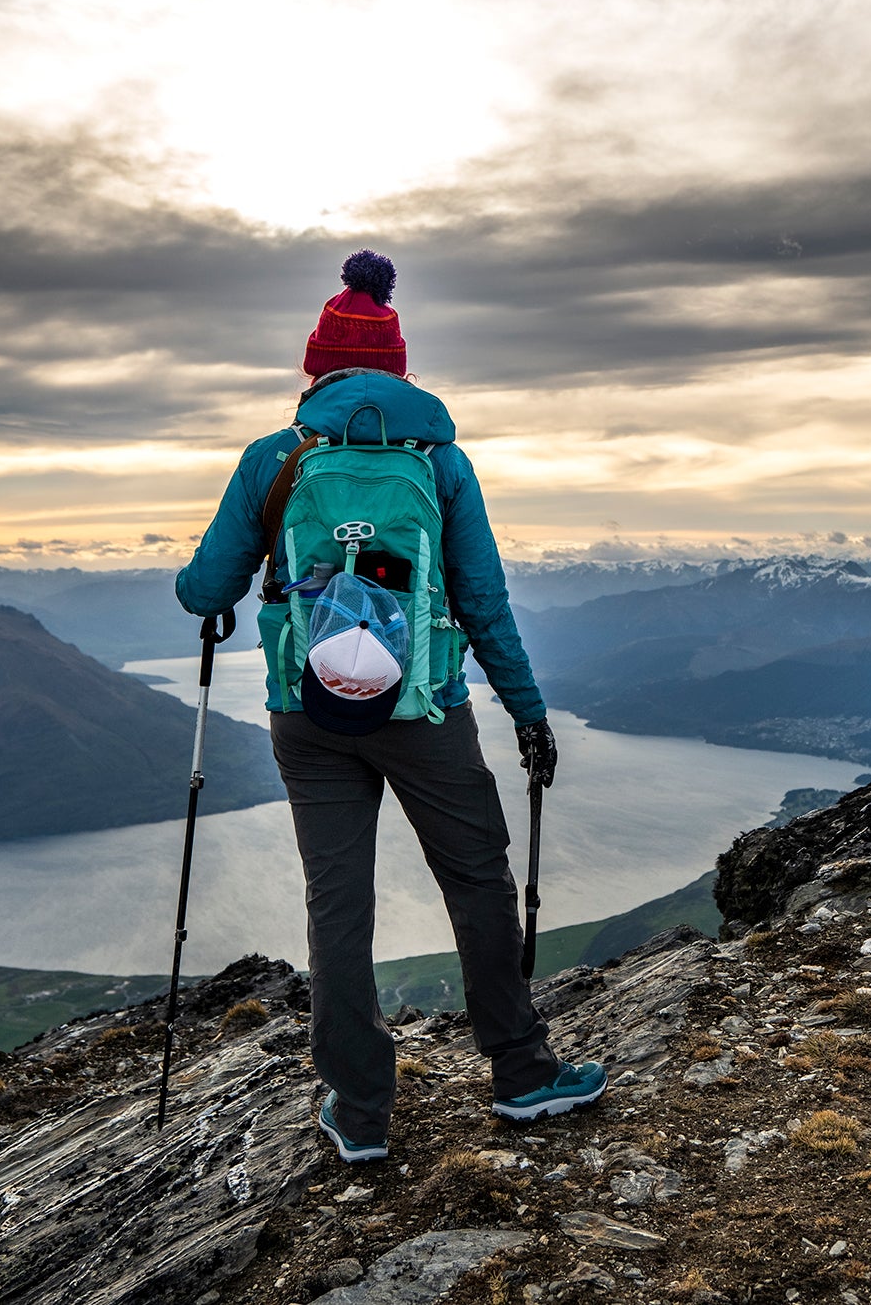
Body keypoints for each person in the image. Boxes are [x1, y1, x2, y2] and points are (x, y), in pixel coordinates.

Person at [175, 250, 606, 1161]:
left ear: (316, 365)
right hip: (425, 711)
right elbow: (483, 602)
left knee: (338, 905)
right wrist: (528, 714)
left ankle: (361, 1113)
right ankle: (523, 1075)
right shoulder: (441, 464)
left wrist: (214, 579)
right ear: (401, 366)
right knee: (478, 880)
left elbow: (204, 588)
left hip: (308, 715)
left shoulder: (275, 459)